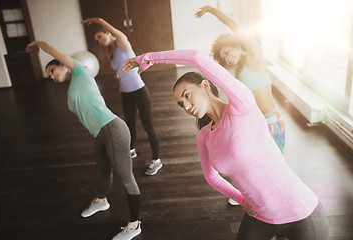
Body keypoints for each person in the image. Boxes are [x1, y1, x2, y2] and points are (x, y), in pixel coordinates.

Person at [122, 49, 329, 240]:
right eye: (180, 104)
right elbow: (211, 177)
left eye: (187, 96)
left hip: (300, 212)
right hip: (260, 215)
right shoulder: (204, 136)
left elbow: (196, 57)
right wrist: (240, 199)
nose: (185, 106)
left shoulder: (241, 106)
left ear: (204, 85)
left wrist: (147, 58)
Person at [26, 40, 141, 240]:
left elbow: (53, 49)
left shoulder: (81, 71)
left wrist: (38, 44)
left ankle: (134, 225)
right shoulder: (73, 85)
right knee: (104, 171)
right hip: (100, 134)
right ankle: (101, 201)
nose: (51, 76)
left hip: (113, 129)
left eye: (52, 70)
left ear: (63, 64)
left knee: (127, 179)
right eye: (49, 75)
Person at [195, 5, 285, 154]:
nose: (227, 58)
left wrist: (211, 10)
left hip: (271, 121)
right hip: (255, 123)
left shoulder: (254, 56)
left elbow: (234, 25)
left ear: (236, 44)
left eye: (227, 52)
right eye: (224, 58)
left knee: (275, 164)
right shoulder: (238, 71)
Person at [81, 17, 162, 176]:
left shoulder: (123, 44)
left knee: (148, 126)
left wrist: (96, 20)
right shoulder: (110, 52)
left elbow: (111, 29)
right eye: (96, 40)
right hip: (126, 93)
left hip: (139, 91)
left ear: (108, 33)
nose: (99, 41)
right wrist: (119, 85)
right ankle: (131, 150)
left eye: (100, 36)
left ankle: (157, 160)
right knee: (129, 124)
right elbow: (118, 73)